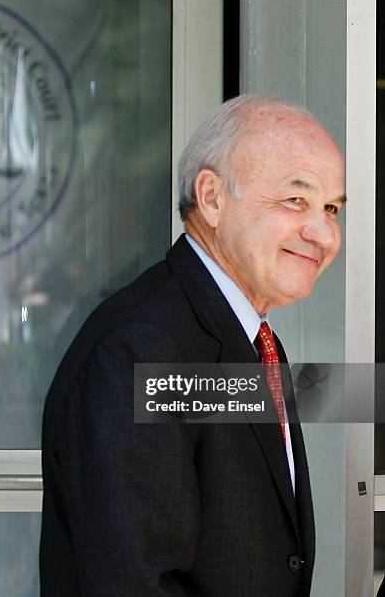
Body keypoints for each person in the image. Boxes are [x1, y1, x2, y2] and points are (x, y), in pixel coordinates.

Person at [40, 94, 345, 596]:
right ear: (212, 198)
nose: (323, 233)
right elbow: (135, 582)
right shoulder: (142, 346)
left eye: (331, 207)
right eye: (296, 200)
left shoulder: (246, 338)